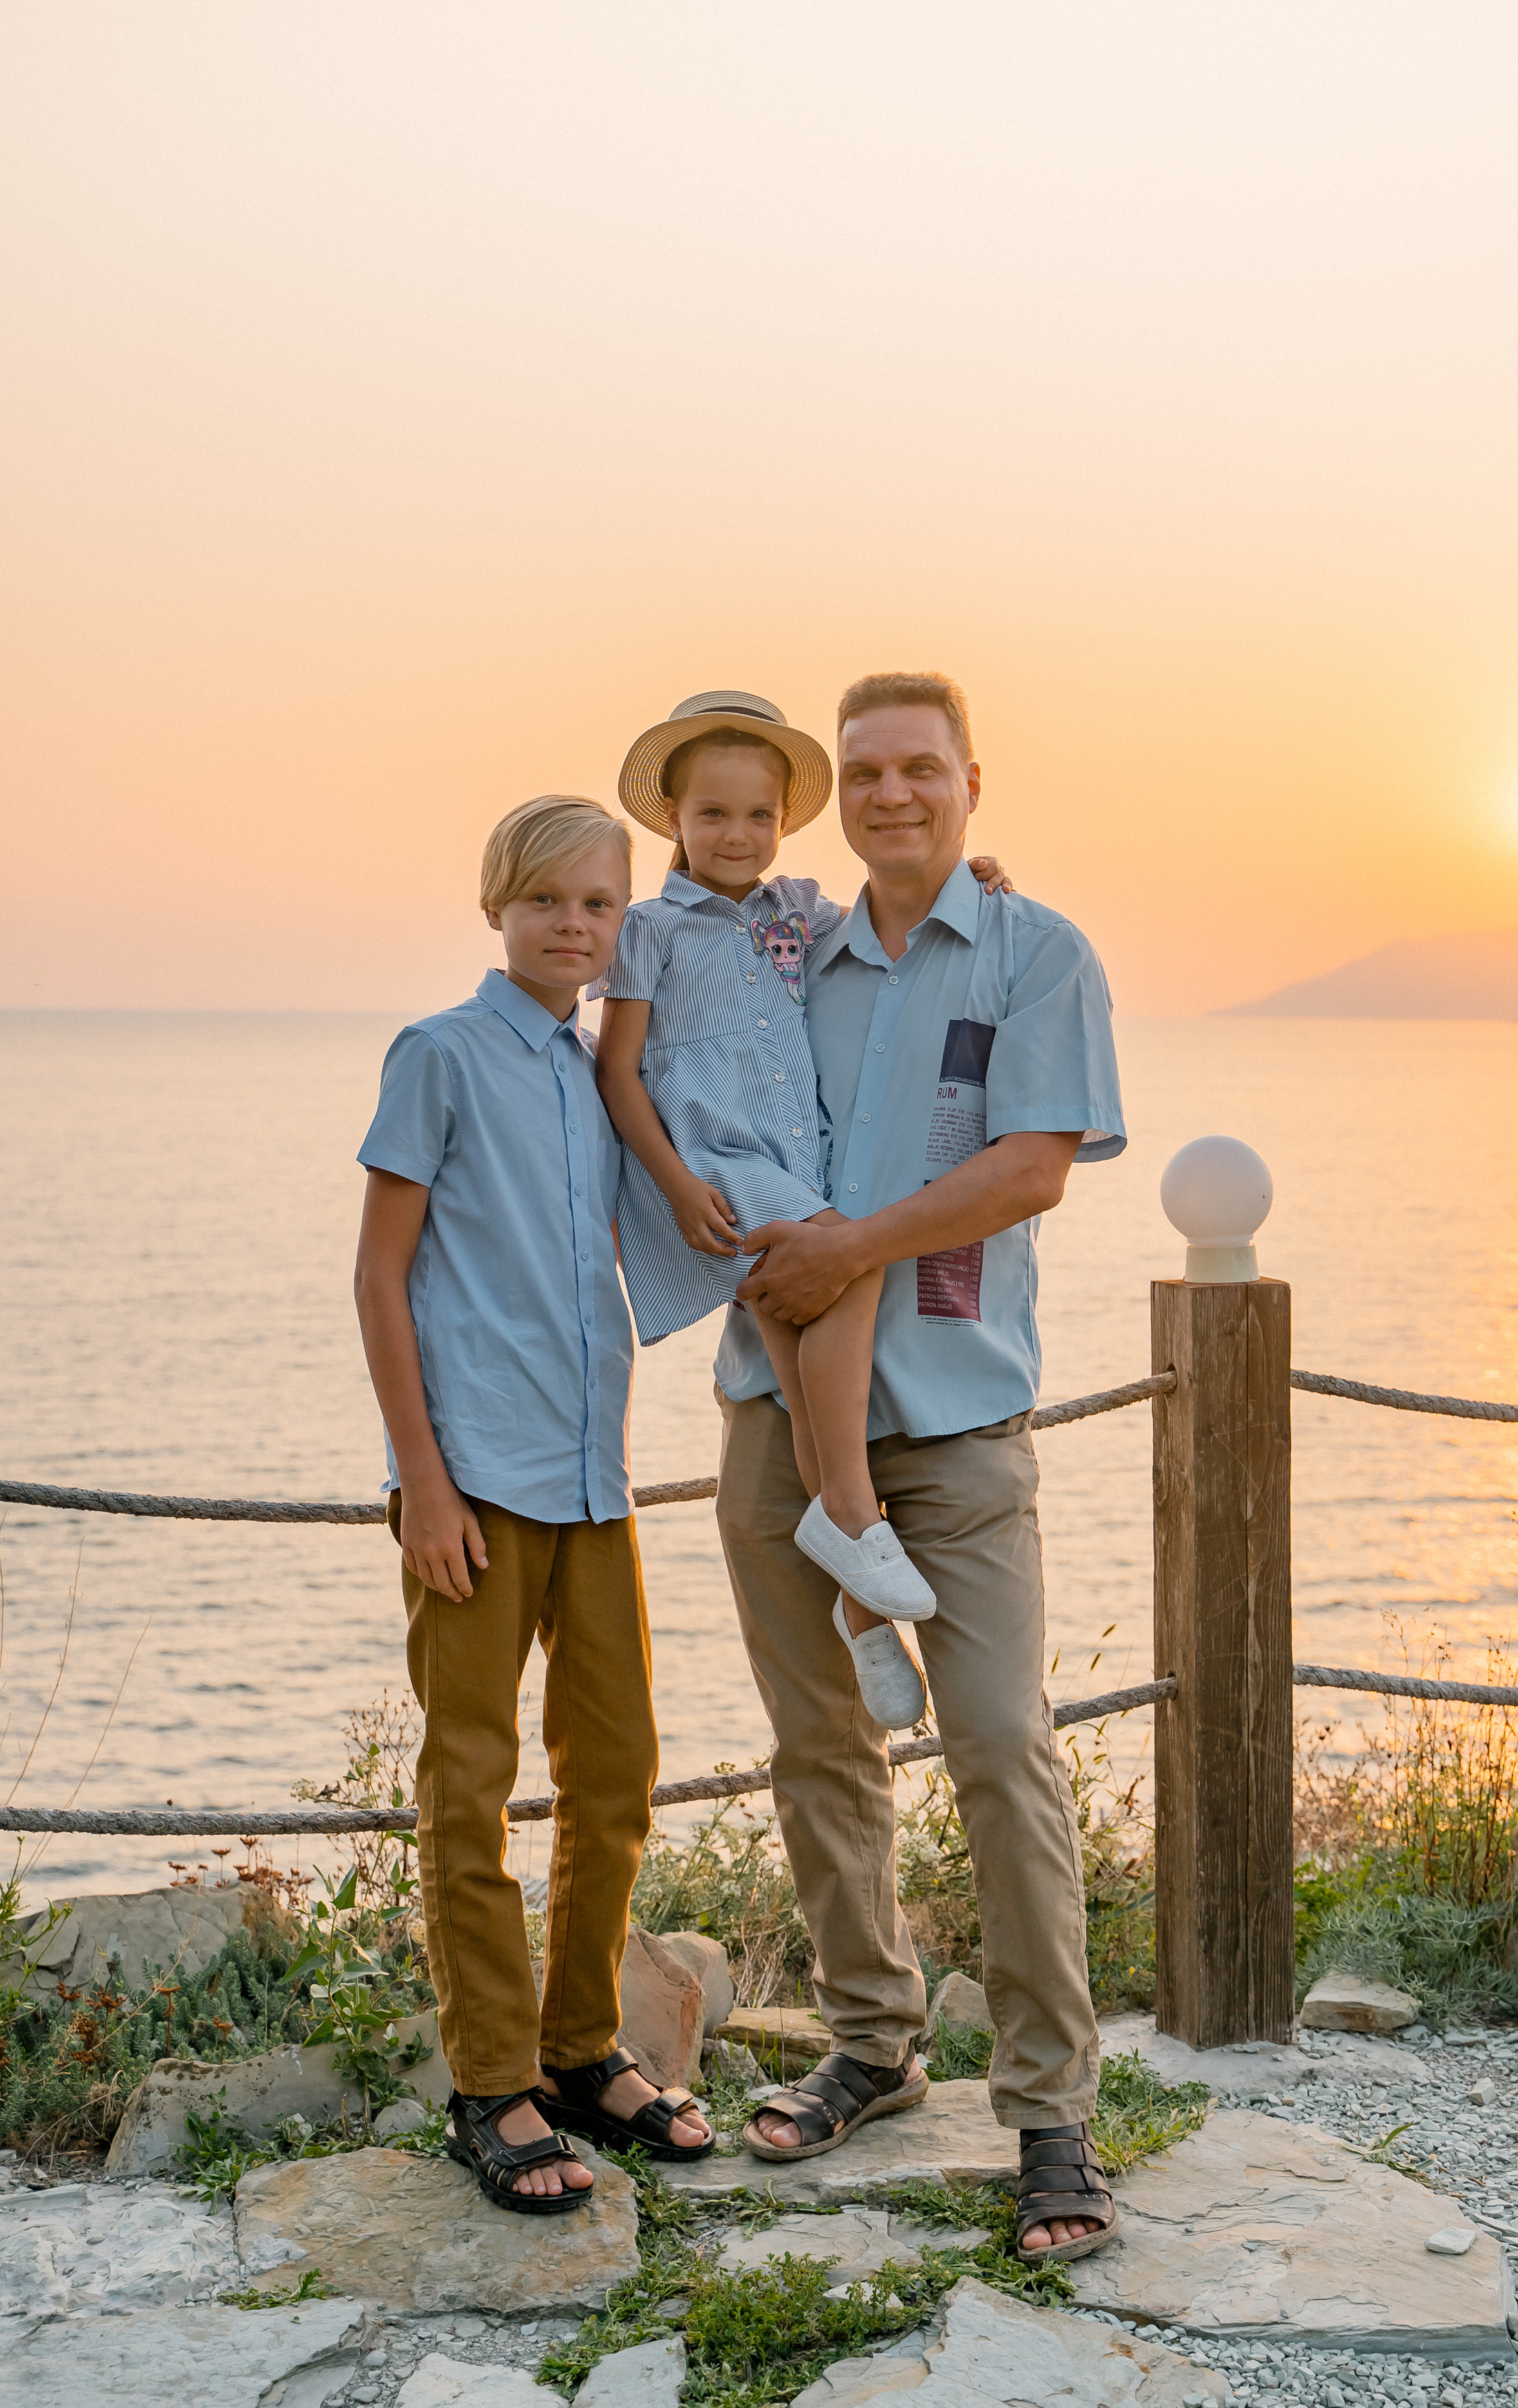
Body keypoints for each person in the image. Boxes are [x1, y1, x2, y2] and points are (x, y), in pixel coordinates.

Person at [712, 672, 1127, 2262]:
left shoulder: (1036, 953)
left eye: (919, 769)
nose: (892, 794)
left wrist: (849, 1253)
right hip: (770, 1413)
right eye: (866, 772)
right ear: (840, 793)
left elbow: (1029, 1171)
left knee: (1005, 1749)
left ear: (971, 780)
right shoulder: (782, 954)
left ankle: (1050, 2115)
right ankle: (872, 2045)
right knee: (815, 1747)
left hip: (953, 1427)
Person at [353, 792, 713, 2215]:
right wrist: (422, 1484)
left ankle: (579, 2050)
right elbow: (381, 1277)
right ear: (498, 906)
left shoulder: (594, 1068)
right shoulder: (437, 1056)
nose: (576, 925)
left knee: (616, 1770)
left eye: (600, 905)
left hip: (590, 1480)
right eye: (550, 901)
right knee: (470, 1785)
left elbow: (758, 929)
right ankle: (493, 2083)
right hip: (476, 1489)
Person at [596, 691, 1010, 1734]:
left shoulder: (801, 914)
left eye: (756, 818)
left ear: (783, 821)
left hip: (793, 1152)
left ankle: (863, 1609)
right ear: (673, 822)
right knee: (849, 1258)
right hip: (711, 1157)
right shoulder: (648, 931)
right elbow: (616, 1074)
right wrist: (678, 1184)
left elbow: (901, 920)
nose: (736, 837)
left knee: (804, 1346)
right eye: (711, 817)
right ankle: (856, 1516)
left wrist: (983, 878)